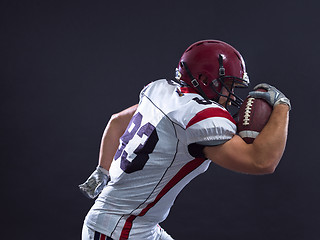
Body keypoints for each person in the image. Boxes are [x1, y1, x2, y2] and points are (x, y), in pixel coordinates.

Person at [79, 40, 291, 240]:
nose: (232, 94)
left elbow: (116, 122)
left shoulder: (161, 90)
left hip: (138, 225)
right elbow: (261, 162)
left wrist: (102, 170)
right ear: (207, 80)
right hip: (118, 230)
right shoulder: (199, 117)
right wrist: (282, 106)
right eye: (228, 85)